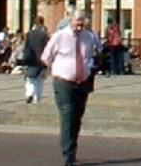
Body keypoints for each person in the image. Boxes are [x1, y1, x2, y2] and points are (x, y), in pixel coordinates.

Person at [42, 10, 100, 166]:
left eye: (82, 24)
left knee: (77, 117)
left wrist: (90, 68)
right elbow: (46, 56)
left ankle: (70, 149)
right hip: (64, 82)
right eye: (77, 23)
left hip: (83, 82)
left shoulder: (89, 37)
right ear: (71, 21)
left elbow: (92, 55)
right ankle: (69, 156)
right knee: (68, 114)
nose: (79, 27)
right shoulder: (60, 36)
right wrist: (57, 69)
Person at [22, 17, 50, 104]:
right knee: (40, 80)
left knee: (30, 78)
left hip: (31, 58)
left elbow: (26, 47)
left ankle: (29, 93)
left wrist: (24, 59)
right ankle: (37, 98)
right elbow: (47, 48)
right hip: (42, 59)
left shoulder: (28, 34)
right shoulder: (44, 35)